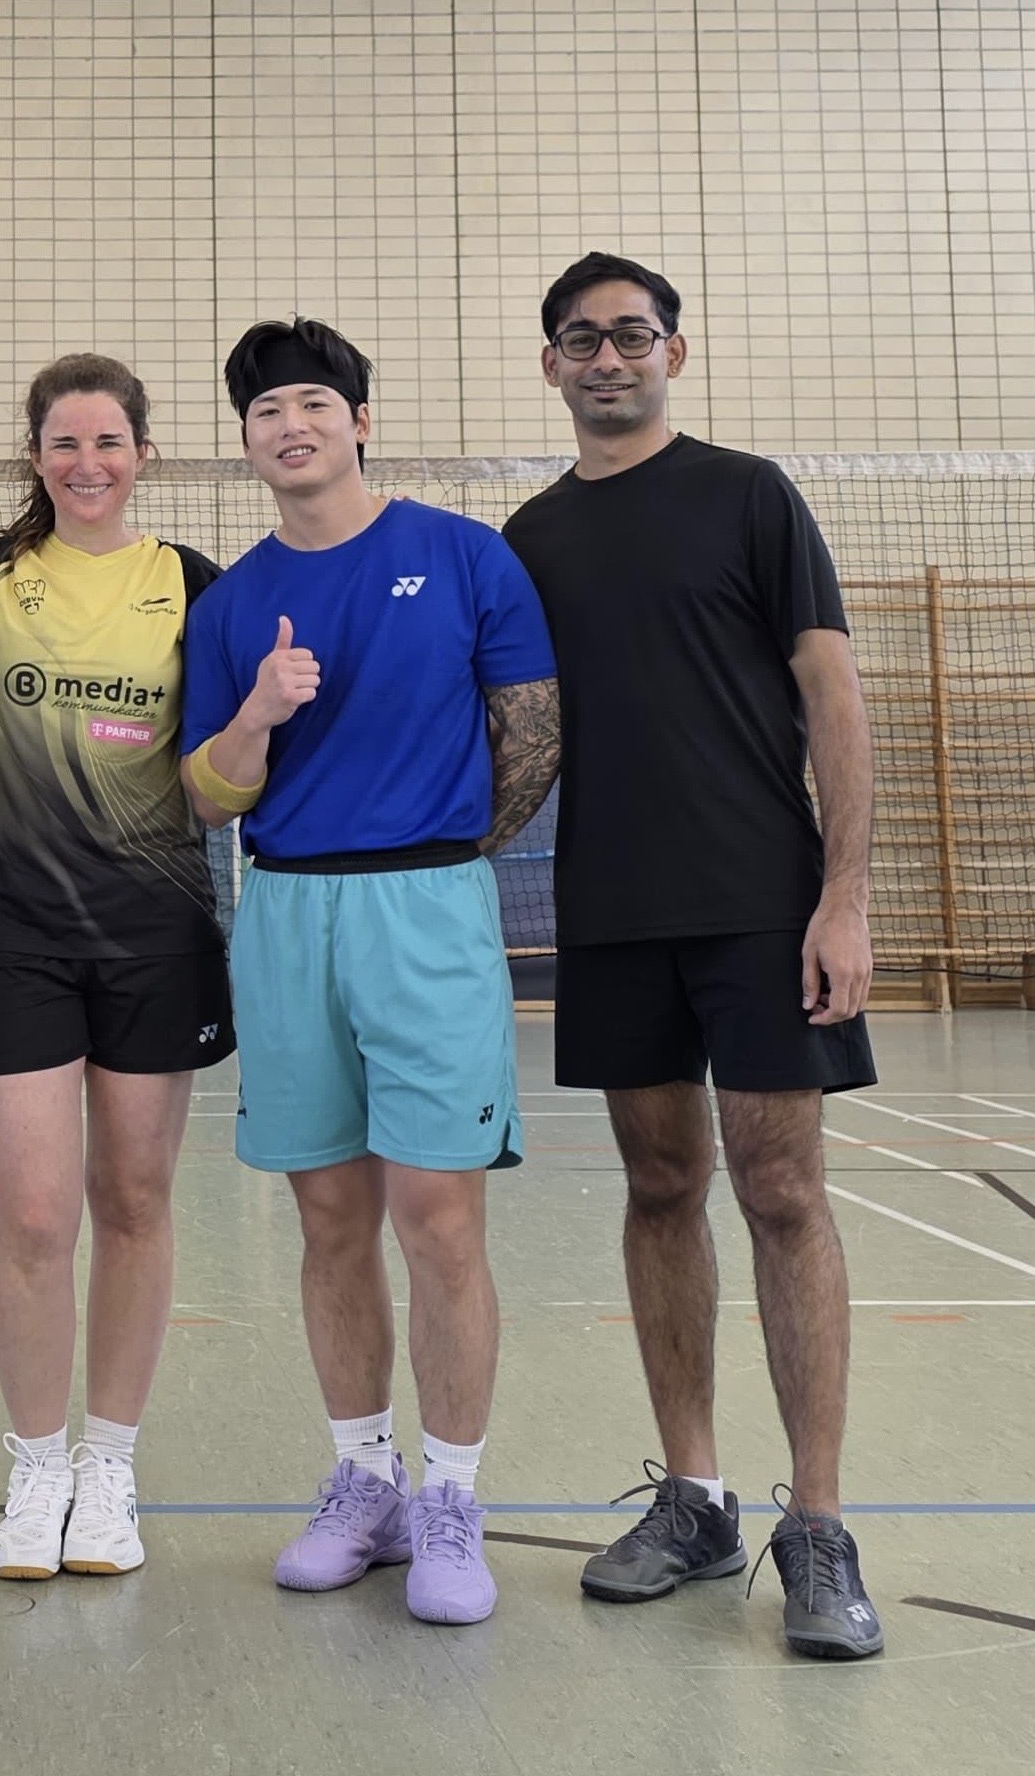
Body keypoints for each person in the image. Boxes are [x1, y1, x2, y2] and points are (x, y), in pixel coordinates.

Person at [501, 252, 883, 1659]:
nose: (606, 357)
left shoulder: (748, 497)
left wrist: (843, 896)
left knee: (781, 1190)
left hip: (758, 904)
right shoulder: (530, 537)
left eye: (631, 334)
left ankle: (818, 1526)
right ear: (550, 363)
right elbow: (514, 735)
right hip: (611, 911)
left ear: (673, 350)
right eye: (580, 338)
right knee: (661, 1186)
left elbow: (830, 692)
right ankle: (695, 1498)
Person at [181, 317, 559, 1627]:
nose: (289, 425)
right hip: (286, 912)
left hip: (425, 906)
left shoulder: (462, 557)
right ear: (245, 441)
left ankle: (450, 1497)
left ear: (358, 421)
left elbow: (530, 737)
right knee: (328, 1219)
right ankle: (364, 1480)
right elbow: (207, 795)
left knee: (438, 1218)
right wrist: (257, 713)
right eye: (264, 410)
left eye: (311, 402)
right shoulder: (232, 604)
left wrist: (434, 854)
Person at [0, 355, 234, 1582]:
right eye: (63, 443)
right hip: (12, 934)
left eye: (108, 441)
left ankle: (107, 1464)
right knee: (30, 1215)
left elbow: (217, 758)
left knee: (133, 1200)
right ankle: (35, 1469)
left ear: (141, 454)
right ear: (36, 457)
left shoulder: (193, 586)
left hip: (154, 934)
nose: (86, 463)